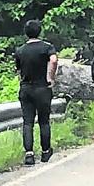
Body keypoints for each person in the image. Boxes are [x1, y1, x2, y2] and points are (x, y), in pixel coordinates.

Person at [14, 20, 58, 166]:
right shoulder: (47, 47)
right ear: (40, 31)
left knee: (28, 122)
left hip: (26, 88)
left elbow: (18, 70)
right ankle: (45, 151)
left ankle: (29, 154)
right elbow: (53, 60)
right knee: (44, 121)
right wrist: (50, 77)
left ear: (26, 33)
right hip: (42, 88)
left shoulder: (20, 50)